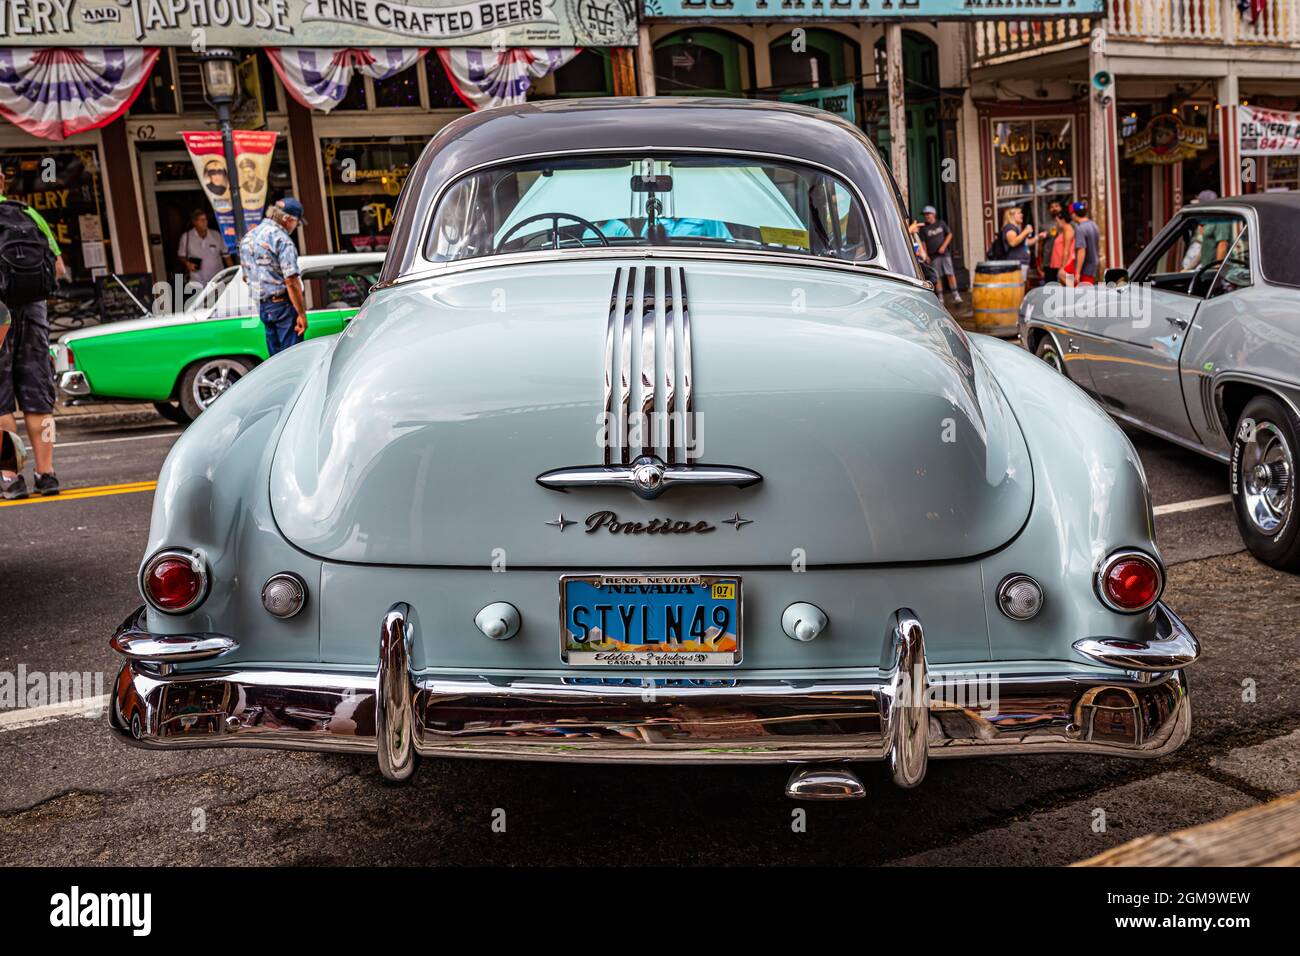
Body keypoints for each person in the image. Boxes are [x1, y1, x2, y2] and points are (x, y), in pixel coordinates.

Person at [0, 167, 67, 499]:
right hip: (34, 311)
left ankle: (12, 478)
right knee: (40, 397)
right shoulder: (29, 214)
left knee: (0, 404)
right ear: (2, 181)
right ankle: (47, 474)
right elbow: (59, 268)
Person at [239, 197, 308, 356]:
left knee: (276, 361)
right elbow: (291, 280)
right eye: (296, 223)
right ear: (287, 219)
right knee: (293, 356)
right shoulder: (282, 240)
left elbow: (245, 277)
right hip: (283, 306)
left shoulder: (248, 238)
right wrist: (301, 314)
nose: (295, 227)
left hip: (263, 306)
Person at [176, 209, 230, 294]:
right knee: (200, 306)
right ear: (194, 222)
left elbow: (226, 256)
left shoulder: (216, 235)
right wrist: (187, 263)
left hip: (217, 281)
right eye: (201, 220)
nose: (205, 222)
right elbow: (181, 255)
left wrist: (234, 274)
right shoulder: (186, 237)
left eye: (205, 219)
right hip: (197, 281)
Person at [919, 205, 961, 305]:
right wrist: (926, 255)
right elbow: (923, 243)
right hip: (933, 256)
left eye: (928, 214)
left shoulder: (941, 224)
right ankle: (940, 297)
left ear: (934, 214)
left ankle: (956, 294)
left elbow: (949, 235)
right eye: (925, 215)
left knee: (950, 273)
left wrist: (943, 246)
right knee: (937, 277)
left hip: (944, 254)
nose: (927, 216)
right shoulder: (924, 229)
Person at [1192, 190, 1232, 267]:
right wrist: (1188, 268)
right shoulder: (1209, 220)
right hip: (1207, 269)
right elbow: (1205, 249)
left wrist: (1217, 269)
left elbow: (1222, 245)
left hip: (1214, 271)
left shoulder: (1220, 219)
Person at [1000, 207, 1037, 285]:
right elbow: (1013, 242)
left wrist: (1038, 237)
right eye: (1019, 213)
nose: (1022, 215)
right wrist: (1026, 231)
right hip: (1016, 263)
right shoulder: (1010, 228)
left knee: (1021, 287)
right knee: (1018, 288)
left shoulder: (1015, 229)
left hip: (1020, 263)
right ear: (1012, 216)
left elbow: (1025, 243)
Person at [1070, 200, 1101, 286]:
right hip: (1093, 266)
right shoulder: (1094, 225)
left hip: (1085, 269)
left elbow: (1081, 250)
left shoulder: (1080, 228)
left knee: (1083, 295)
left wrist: (1077, 272)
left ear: (1074, 214)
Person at [1046, 208, 1074, 284]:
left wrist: (1062, 267)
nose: (1056, 223)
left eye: (1057, 221)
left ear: (1063, 220)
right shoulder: (1064, 230)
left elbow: (1066, 250)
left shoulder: (1068, 230)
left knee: (1069, 287)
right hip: (1058, 265)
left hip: (1065, 265)